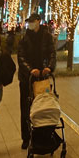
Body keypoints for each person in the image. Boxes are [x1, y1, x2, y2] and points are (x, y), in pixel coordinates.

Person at [17, 13, 56, 148]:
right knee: (26, 107)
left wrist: (49, 68)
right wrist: (30, 70)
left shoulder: (47, 36)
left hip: (42, 78)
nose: (31, 24)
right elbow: (21, 57)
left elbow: (52, 53)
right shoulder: (24, 37)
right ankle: (26, 137)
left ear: (39, 21)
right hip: (27, 79)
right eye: (29, 22)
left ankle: (44, 134)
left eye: (33, 21)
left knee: (44, 105)